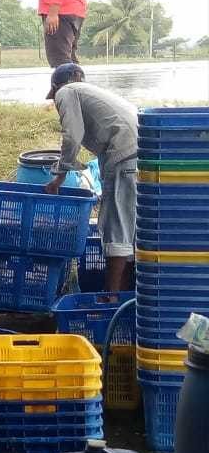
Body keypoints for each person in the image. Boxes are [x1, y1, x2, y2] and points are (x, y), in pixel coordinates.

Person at [44, 64, 138, 291]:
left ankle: (112, 297)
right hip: (140, 151)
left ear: (56, 86)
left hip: (125, 155)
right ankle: (127, 292)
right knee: (131, 226)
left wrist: (58, 176)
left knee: (116, 227)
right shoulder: (91, 93)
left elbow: (72, 137)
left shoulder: (66, 92)